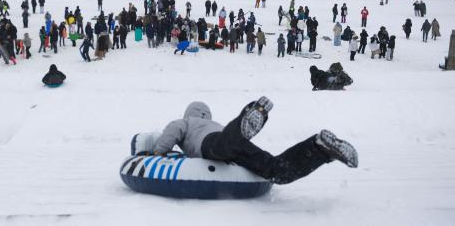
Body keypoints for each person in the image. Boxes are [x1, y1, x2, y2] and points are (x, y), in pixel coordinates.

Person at [152, 100, 357, 185]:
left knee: (222, 146)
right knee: (275, 169)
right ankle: (319, 148)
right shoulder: (216, 124)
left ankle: (249, 114)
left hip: (212, 144)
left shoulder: (185, 122)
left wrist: (159, 152)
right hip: (233, 142)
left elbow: (173, 131)